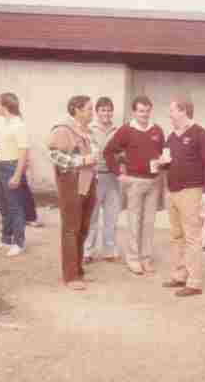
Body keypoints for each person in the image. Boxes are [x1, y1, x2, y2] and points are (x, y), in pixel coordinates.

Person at [159, 94, 205, 297]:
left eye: (172, 110)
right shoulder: (171, 137)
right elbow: (168, 162)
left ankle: (194, 282)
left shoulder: (201, 135)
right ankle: (180, 275)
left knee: (192, 237)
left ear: (183, 111)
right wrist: (163, 163)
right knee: (177, 236)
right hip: (173, 192)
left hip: (192, 192)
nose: (169, 114)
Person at [104, 95, 165, 275]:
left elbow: (162, 152)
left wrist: (163, 162)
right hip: (134, 182)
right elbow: (108, 152)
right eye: (141, 111)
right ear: (134, 112)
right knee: (134, 222)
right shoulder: (126, 130)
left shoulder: (157, 130)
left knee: (149, 223)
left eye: (147, 111)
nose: (144, 114)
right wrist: (118, 173)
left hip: (154, 182)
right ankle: (133, 259)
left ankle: (146, 258)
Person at [47, 95, 99, 290]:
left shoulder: (88, 132)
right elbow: (53, 154)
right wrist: (82, 161)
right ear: (77, 110)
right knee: (71, 228)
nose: (92, 113)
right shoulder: (63, 130)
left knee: (83, 228)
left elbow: (94, 156)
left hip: (88, 183)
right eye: (89, 109)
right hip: (71, 184)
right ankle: (70, 276)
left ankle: (78, 269)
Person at [0, 93, 30, 257]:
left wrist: (17, 175)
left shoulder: (19, 125)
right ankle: (5, 239)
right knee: (3, 206)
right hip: (2, 166)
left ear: (4, 106)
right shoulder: (4, 123)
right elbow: (2, 149)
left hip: (12, 167)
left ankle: (19, 242)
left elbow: (23, 152)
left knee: (15, 206)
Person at [83, 96, 121, 264]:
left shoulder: (118, 130)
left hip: (112, 177)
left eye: (109, 110)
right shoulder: (89, 130)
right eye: (103, 110)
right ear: (97, 112)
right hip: (95, 176)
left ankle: (109, 250)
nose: (106, 113)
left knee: (111, 217)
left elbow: (121, 152)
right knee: (92, 216)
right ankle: (87, 251)